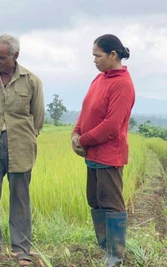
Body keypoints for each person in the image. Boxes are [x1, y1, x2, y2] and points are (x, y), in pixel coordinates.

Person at [0, 34, 45, 267]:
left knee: (20, 199)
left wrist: (24, 137)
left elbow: (38, 118)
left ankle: (21, 251)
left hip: (21, 146)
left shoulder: (32, 81)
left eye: (2, 57)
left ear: (15, 56)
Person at [71, 34, 135, 267]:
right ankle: (105, 248)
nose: (95, 60)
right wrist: (75, 134)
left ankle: (115, 255)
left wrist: (83, 140)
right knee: (95, 201)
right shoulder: (98, 79)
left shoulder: (123, 84)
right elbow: (85, 109)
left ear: (113, 55)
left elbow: (111, 126)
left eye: (97, 56)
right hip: (92, 155)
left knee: (111, 203)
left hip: (109, 155)